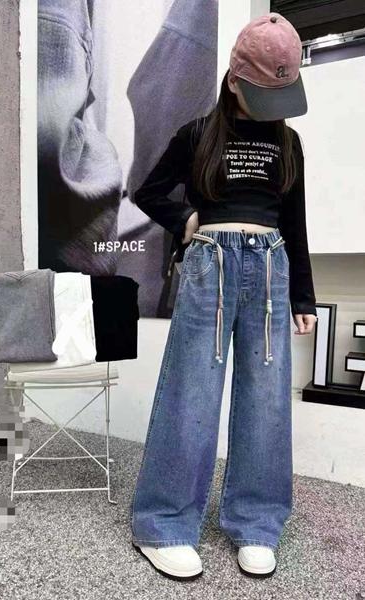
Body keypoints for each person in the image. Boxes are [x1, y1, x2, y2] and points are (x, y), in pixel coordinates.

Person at [129, 13, 318, 581]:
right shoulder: (197, 135)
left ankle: (257, 523)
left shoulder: (288, 143)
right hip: (209, 265)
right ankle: (164, 523)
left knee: (266, 400)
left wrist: (303, 298)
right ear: (236, 80)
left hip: (270, 266)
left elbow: (295, 223)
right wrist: (187, 220)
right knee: (191, 393)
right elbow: (148, 190)